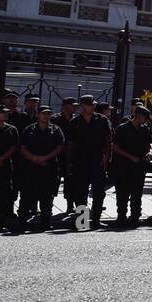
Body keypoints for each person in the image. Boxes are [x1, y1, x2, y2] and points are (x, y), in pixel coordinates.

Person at [18, 106, 66, 230]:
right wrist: (34, 158)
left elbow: (59, 147)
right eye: (44, 113)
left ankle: (45, 221)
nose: (46, 116)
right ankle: (22, 221)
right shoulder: (29, 129)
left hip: (49, 167)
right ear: (38, 115)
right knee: (27, 195)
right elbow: (22, 148)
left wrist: (45, 158)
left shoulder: (55, 130)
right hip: (31, 167)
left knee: (47, 196)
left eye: (49, 114)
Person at [67, 95, 112, 227]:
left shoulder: (102, 119)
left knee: (99, 191)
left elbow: (108, 139)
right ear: (83, 106)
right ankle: (82, 221)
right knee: (80, 192)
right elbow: (70, 144)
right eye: (89, 105)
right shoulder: (75, 122)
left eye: (93, 105)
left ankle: (97, 220)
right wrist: (69, 162)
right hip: (80, 161)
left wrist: (107, 157)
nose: (92, 107)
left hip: (97, 159)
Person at [111, 106, 152, 227]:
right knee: (122, 194)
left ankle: (135, 217)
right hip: (123, 167)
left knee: (137, 194)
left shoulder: (144, 129)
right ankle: (121, 217)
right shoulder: (123, 128)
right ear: (138, 116)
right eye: (145, 118)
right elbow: (115, 147)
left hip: (139, 167)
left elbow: (148, 145)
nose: (146, 121)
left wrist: (150, 153)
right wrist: (130, 157)